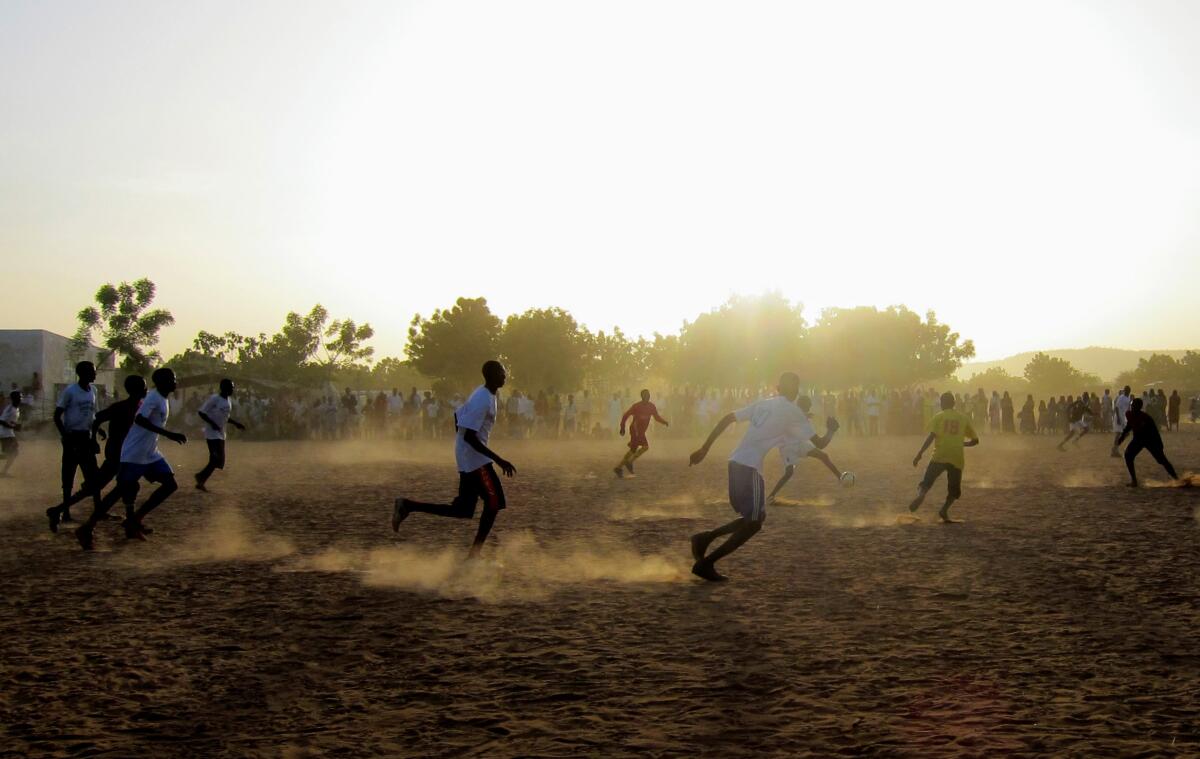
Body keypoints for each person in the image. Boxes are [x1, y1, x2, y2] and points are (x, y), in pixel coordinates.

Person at [687, 372, 838, 582]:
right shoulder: (794, 411)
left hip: (735, 463)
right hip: (750, 469)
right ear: (795, 391)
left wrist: (704, 448)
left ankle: (704, 539)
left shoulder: (763, 403)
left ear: (777, 388)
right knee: (755, 522)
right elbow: (820, 444)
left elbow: (728, 418)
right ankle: (706, 562)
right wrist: (831, 430)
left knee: (755, 518)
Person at [391, 361, 516, 558]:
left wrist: (462, 448)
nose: (505, 376)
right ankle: (474, 556)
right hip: (475, 458)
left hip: (469, 455)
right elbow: (468, 436)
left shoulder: (484, 393)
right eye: (502, 372)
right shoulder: (483, 398)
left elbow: (458, 418)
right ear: (491, 375)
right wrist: (499, 461)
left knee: (463, 509)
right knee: (494, 502)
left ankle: (408, 505)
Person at [74, 376, 149, 550]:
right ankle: (84, 524)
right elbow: (97, 419)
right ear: (137, 390)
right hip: (117, 455)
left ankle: (130, 525)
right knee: (112, 489)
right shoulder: (122, 407)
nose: (146, 391)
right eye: (144, 388)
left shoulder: (139, 407)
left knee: (129, 488)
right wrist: (93, 439)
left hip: (129, 455)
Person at [118, 368, 188, 540]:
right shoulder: (153, 398)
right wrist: (169, 434)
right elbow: (140, 419)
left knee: (170, 484)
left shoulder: (162, 398)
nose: (175, 381)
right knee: (126, 490)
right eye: (172, 378)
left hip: (150, 452)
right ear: (162, 382)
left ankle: (135, 520)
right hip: (135, 452)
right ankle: (92, 526)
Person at [909, 392, 979, 523]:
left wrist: (920, 453)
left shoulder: (939, 417)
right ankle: (944, 510)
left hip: (939, 455)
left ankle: (921, 495)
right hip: (956, 456)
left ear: (942, 404)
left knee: (926, 482)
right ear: (954, 403)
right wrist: (962, 443)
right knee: (954, 490)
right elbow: (975, 440)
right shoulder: (963, 418)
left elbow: (931, 437)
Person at [47, 361, 101, 530]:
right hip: (73, 437)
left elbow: (93, 415)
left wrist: (97, 433)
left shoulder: (93, 390)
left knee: (93, 475)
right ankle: (66, 512)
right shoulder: (71, 391)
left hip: (87, 437)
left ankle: (99, 509)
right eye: (92, 372)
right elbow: (57, 415)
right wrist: (65, 436)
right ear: (82, 373)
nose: (95, 374)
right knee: (69, 475)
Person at [766, 396, 844, 503]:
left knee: (823, 456)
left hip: (800, 443)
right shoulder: (800, 418)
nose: (810, 406)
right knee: (789, 472)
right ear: (804, 405)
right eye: (809, 404)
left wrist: (809, 416)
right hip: (788, 447)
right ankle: (771, 496)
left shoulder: (797, 414)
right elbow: (820, 443)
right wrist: (831, 431)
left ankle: (840, 478)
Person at [194, 378, 246, 492]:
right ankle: (200, 480)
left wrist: (236, 424)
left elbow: (226, 417)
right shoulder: (215, 399)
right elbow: (201, 412)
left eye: (233, 387)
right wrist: (212, 424)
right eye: (231, 387)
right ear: (223, 388)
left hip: (221, 433)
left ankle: (201, 476)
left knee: (220, 462)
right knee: (215, 458)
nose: (232, 389)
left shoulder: (228, 400)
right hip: (212, 433)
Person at [1115, 397, 1178, 487]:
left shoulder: (1145, 417)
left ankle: (1176, 478)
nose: (1132, 407)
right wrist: (1122, 437)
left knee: (1161, 460)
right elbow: (1129, 425)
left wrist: (1159, 445)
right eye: (1132, 406)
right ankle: (1134, 481)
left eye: (1134, 406)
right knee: (1128, 456)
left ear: (1139, 407)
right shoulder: (1129, 414)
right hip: (1138, 439)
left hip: (1150, 439)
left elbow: (1155, 432)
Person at [614, 390, 669, 478]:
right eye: (645, 395)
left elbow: (656, 417)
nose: (647, 397)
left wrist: (664, 422)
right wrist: (622, 427)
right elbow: (625, 415)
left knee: (632, 450)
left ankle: (618, 468)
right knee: (645, 447)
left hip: (641, 431)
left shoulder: (651, 406)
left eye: (648, 395)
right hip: (635, 430)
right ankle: (630, 462)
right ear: (642, 396)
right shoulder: (636, 406)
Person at [0, 391, 22, 476]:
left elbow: (10, 421)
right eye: (19, 397)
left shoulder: (16, 409)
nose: (20, 399)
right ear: (14, 399)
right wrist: (14, 427)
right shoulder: (10, 408)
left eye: (21, 397)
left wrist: (16, 425)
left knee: (12, 453)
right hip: (5, 433)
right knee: (13, 453)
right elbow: (1, 421)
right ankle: (4, 472)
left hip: (8, 433)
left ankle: (4, 472)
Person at [1111, 386, 1133, 457]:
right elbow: (1117, 407)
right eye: (1125, 390)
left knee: (1126, 434)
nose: (1126, 391)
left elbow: (1128, 409)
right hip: (1119, 417)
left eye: (1127, 390)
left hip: (1124, 418)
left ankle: (1115, 448)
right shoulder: (1121, 398)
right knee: (1118, 433)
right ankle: (1115, 450)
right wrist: (1118, 418)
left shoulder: (1128, 398)